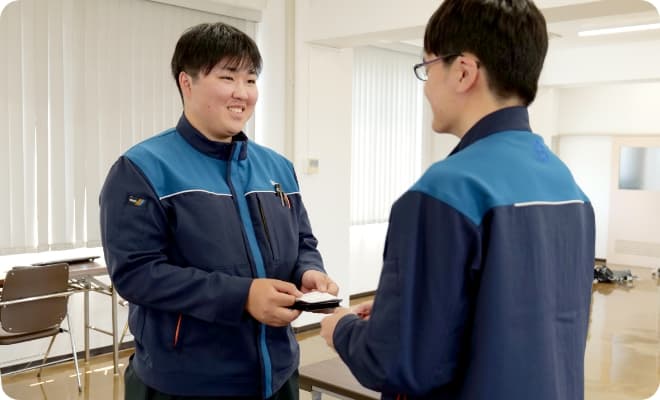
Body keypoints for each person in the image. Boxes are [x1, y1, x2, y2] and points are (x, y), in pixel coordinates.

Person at [320, 1, 595, 399]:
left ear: (463, 72)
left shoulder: (444, 192)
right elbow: (521, 313)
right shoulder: (566, 185)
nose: (426, 86)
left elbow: (394, 362)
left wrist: (341, 328)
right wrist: (403, 310)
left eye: (427, 67)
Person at [100, 22, 338, 400]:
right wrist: (242, 296)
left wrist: (309, 271)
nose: (242, 93)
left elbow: (303, 241)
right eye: (228, 77)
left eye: (251, 80)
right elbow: (137, 274)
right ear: (187, 82)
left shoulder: (277, 168)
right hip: (185, 382)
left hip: (276, 374)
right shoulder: (142, 169)